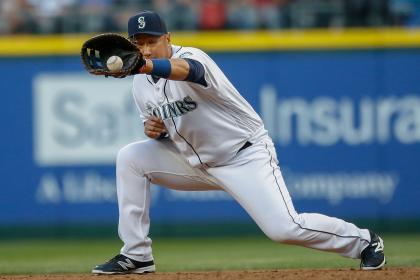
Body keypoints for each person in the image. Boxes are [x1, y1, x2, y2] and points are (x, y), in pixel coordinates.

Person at [92, 10, 386, 274]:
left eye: (151, 41)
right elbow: (164, 126)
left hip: (244, 156)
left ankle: (365, 242)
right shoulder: (140, 84)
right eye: (139, 43)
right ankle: (137, 255)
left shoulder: (193, 57)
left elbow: (187, 71)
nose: (145, 48)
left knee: (284, 228)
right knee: (130, 158)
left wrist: (144, 65)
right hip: (193, 161)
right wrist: (154, 129)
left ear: (167, 38)